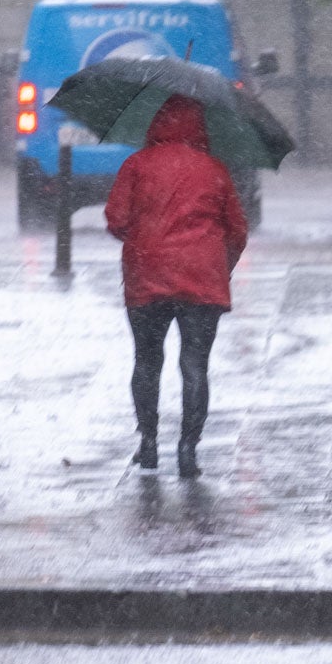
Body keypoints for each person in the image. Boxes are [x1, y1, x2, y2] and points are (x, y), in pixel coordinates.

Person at [105, 95, 248, 480]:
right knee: (195, 364)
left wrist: (144, 239)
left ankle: (148, 443)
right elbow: (237, 230)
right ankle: (188, 449)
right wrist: (221, 265)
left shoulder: (136, 166)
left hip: (147, 275)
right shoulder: (214, 170)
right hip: (201, 277)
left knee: (147, 360)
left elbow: (116, 219)